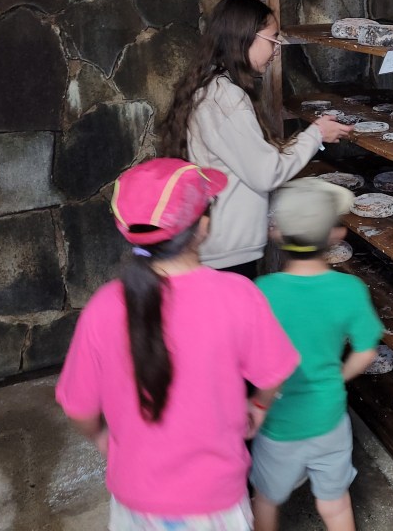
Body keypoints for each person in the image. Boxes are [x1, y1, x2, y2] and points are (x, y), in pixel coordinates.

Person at [56, 158, 301, 531]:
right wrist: (258, 406)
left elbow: (79, 408)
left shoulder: (103, 307)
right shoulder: (238, 295)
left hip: (136, 502)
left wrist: (104, 439)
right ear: (203, 227)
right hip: (216, 499)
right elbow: (274, 372)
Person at [160, 0, 354, 278]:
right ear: (246, 38)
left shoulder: (212, 86)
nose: (276, 49)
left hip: (221, 243)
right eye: (272, 39)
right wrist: (316, 134)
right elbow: (265, 173)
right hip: (227, 252)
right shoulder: (225, 98)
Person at [250, 177, 385, 531]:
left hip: (279, 423)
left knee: (266, 499)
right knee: (335, 504)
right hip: (329, 418)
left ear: (277, 234)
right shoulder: (350, 289)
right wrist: (337, 377)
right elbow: (366, 352)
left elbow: (249, 356)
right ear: (335, 236)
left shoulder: (262, 291)